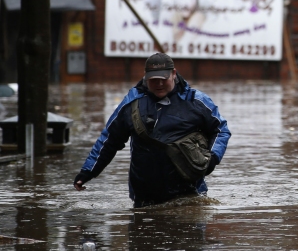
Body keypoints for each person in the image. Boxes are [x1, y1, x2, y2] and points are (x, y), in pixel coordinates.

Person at [73, 52, 230, 207]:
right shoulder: (132, 103)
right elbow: (109, 140)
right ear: (145, 76)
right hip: (144, 197)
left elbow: (221, 130)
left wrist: (213, 158)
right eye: (154, 80)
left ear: (173, 74)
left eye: (163, 79)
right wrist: (88, 172)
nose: (159, 84)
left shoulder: (196, 101)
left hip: (190, 194)